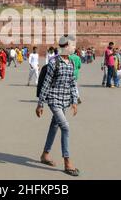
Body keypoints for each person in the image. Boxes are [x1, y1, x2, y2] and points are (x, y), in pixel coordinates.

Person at [36, 35, 80, 177]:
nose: (75, 48)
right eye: (73, 45)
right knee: (65, 127)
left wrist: (74, 100)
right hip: (53, 99)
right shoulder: (54, 62)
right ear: (66, 46)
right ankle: (67, 161)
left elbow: (72, 83)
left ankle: (45, 154)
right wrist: (40, 103)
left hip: (65, 100)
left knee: (54, 126)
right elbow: (46, 83)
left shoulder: (71, 63)